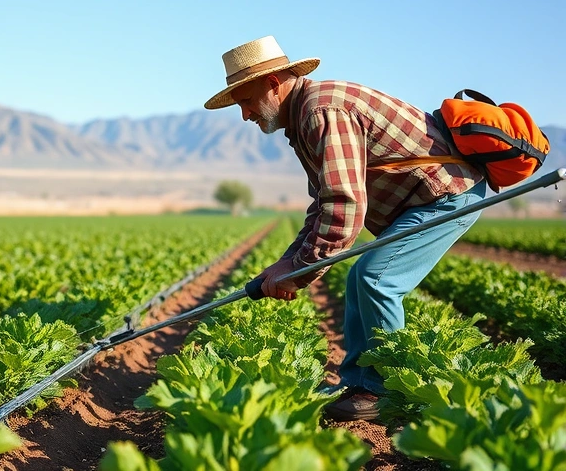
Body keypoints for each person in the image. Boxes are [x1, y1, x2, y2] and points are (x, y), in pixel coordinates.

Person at [204, 36, 486, 421]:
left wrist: (299, 273)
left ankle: (387, 390)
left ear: (274, 83)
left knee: (376, 278)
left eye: (247, 101)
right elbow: (323, 202)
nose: (245, 114)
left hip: (448, 194)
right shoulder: (304, 119)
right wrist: (287, 264)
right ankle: (360, 382)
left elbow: (344, 205)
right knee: (360, 278)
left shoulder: (321, 111)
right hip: (421, 201)